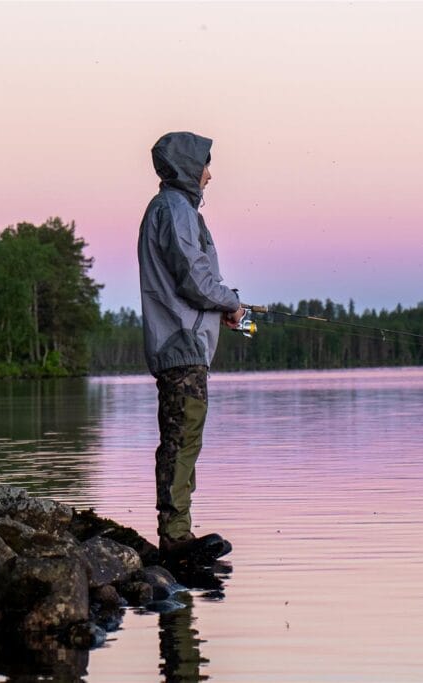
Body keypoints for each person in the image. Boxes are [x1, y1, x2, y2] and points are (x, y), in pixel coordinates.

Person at [137, 131, 244, 564]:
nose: (210, 174)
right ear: (187, 166)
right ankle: (176, 538)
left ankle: (178, 531)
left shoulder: (174, 210)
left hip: (184, 344)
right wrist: (231, 301)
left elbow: (191, 281)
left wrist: (222, 308)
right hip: (180, 346)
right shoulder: (175, 210)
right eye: (205, 164)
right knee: (181, 440)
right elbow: (194, 277)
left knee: (183, 439)